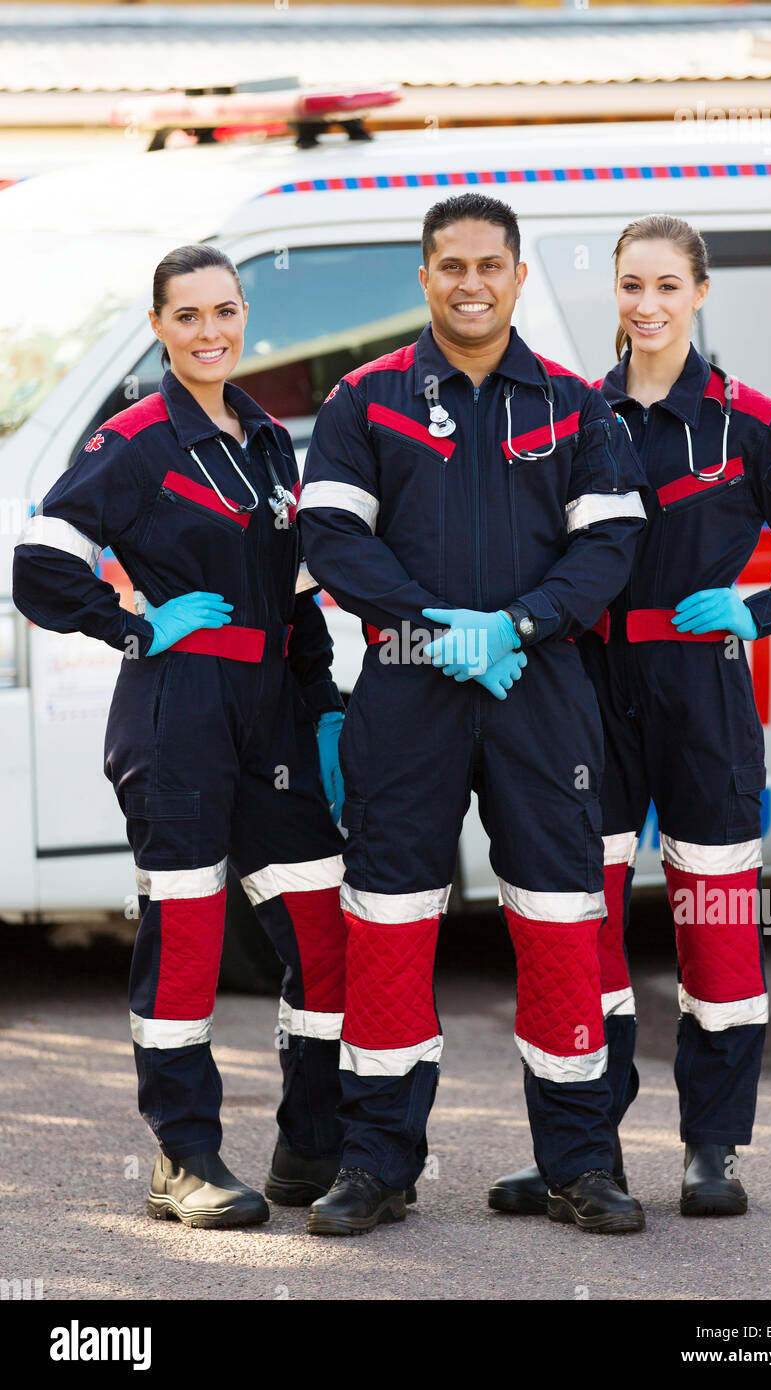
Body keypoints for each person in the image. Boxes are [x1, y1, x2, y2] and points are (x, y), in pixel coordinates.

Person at [488, 214, 771, 1219]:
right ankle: (585, 1151)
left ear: (698, 293)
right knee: (582, 927)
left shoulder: (744, 421)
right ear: (610, 293)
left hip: (702, 696)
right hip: (587, 693)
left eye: (665, 286)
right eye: (628, 286)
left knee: (716, 927)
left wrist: (758, 605)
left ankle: (710, 1149)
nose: (645, 305)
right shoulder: (575, 416)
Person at [297, 193, 649, 1237]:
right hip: (408, 683)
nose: (470, 282)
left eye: (489, 265)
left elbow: (609, 546)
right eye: (450, 265)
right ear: (422, 276)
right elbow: (330, 537)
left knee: (556, 919)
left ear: (517, 276)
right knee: (391, 919)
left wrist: (518, 627)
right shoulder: (363, 399)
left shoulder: (576, 408)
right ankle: (375, 1163)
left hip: (538, 689)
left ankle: (578, 1165)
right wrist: (436, 628)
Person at [13, 244, 353, 1228]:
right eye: (188, 316)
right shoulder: (132, 442)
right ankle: (184, 1156)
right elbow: (41, 562)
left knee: (323, 931)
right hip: (178, 712)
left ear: (246, 317)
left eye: (225, 311)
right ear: (157, 327)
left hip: (273, 710)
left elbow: (293, 589)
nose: (211, 332)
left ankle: (310, 1141)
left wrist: (323, 699)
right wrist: (134, 623)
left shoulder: (262, 439)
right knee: (190, 935)